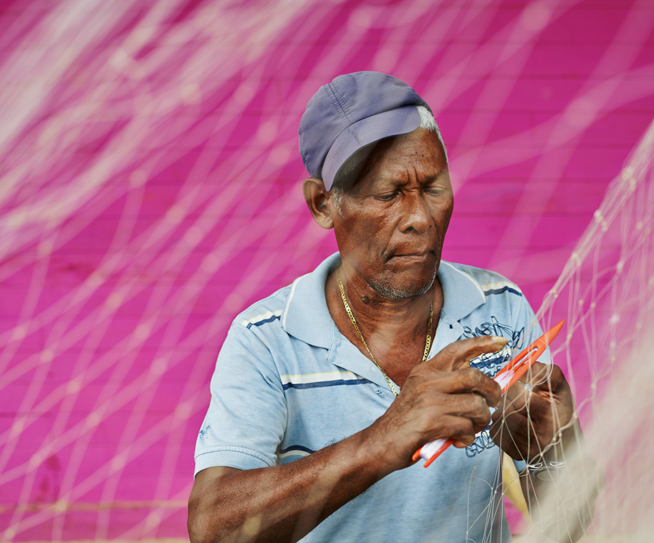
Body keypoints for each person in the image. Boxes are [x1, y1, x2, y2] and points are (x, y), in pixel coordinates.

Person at [188, 72, 601, 543]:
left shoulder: (500, 307)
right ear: (323, 204)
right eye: (388, 195)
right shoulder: (267, 337)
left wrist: (554, 451)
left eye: (433, 188)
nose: (420, 219)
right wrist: (384, 439)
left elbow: (572, 523)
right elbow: (212, 527)